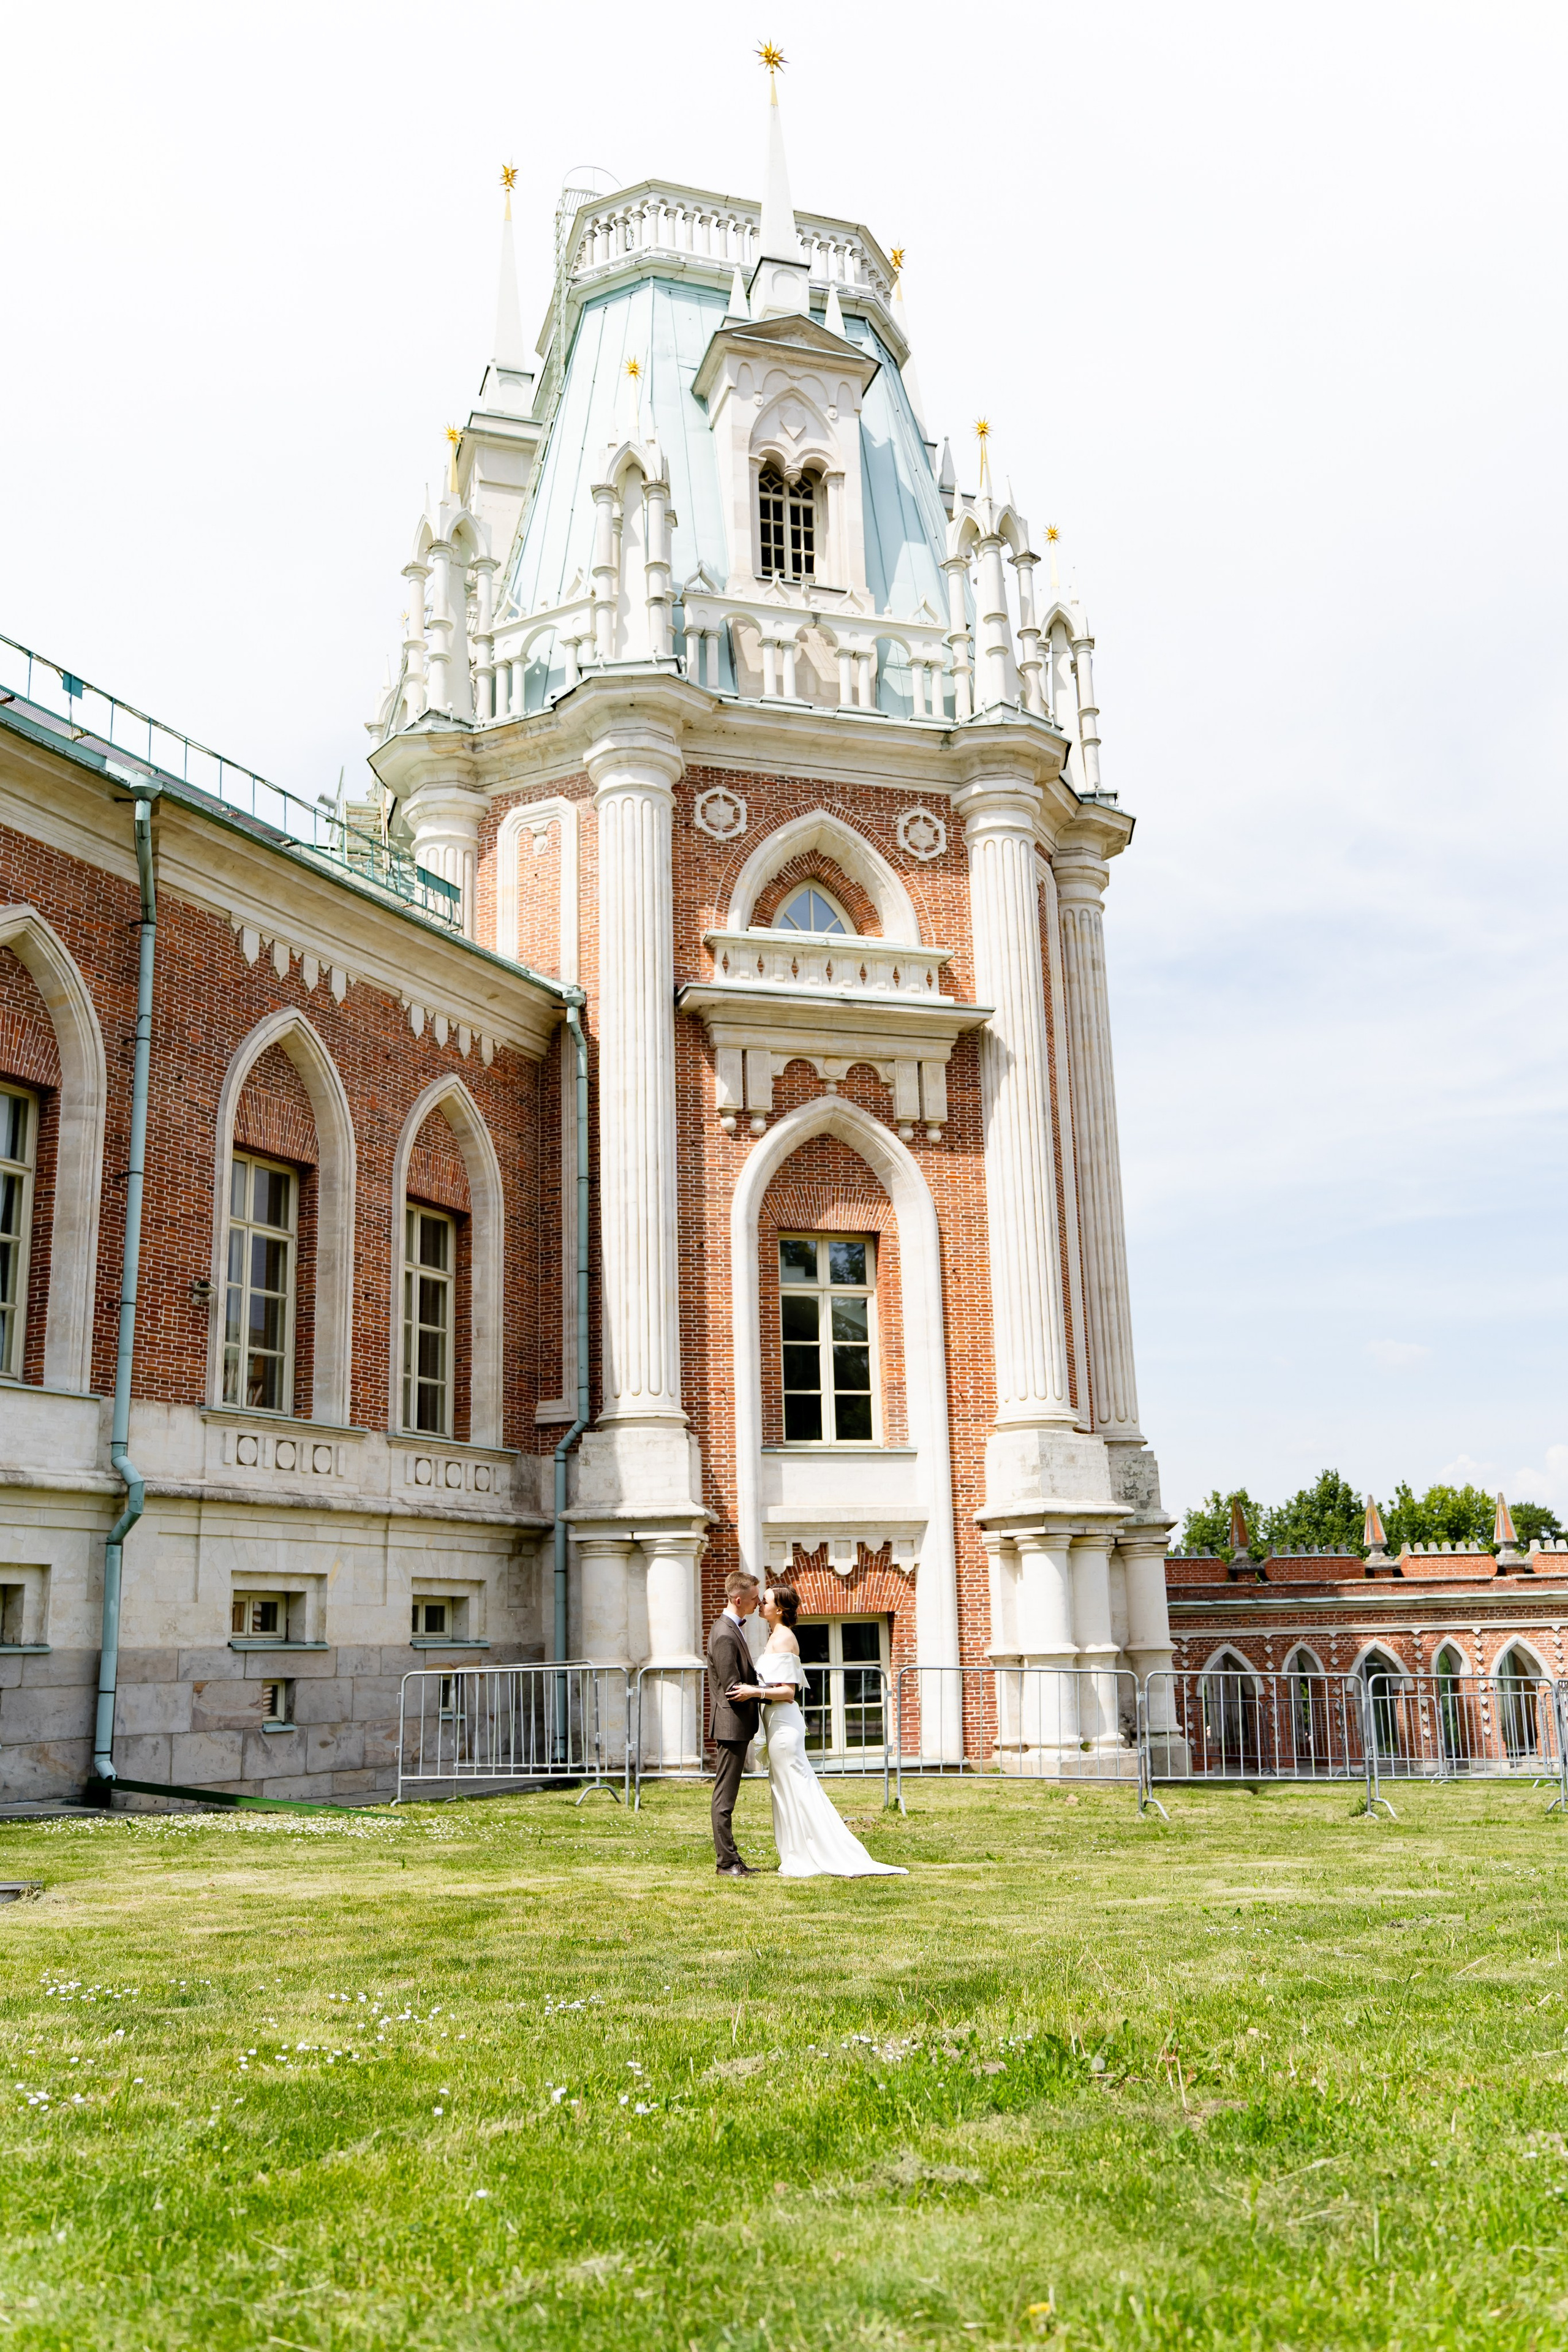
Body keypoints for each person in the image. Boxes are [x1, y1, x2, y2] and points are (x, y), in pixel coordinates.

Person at [730, 1585, 907, 1879]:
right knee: (784, 1790)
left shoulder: (785, 1638)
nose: (761, 1603)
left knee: (798, 1788)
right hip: (775, 1722)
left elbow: (788, 1691)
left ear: (781, 1610)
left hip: (784, 1724)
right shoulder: (775, 1636)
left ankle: (816, 1853)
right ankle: (796, 1853)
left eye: (767, 1601)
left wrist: (753, 1692)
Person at [706, 1569, 763, 1876]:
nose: (758, 1603)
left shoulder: (732, 1627)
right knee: (724, 1797)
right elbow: (733, 1689)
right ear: (739, 1600)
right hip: (731, 1725)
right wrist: (769, 1694)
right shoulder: (726, 1633)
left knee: (727, 1795)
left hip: (737, 1725)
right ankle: (726, 1863)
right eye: (754, 1599)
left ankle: (731, 1860)